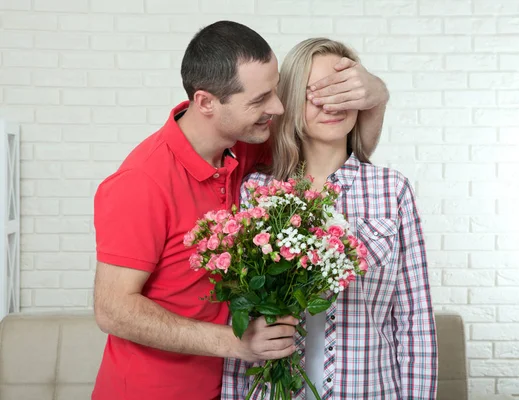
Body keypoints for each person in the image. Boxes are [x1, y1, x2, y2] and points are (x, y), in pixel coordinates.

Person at [92, 21, 389, 400]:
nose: (277, 108)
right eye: (260, 99)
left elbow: (338, 155)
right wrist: (237, 344)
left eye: (276, 90)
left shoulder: (246, 142)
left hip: (231, 389)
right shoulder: (142, 181)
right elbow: (113, 310)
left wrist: (376, 96)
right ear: (206, 103)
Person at [221, 38, 438, 399]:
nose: (332, 104)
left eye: (342, 92)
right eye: (314, 93)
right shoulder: (256, 191)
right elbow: (239, 322)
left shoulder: (391, 190)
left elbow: (415, 322)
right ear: (289, 101)